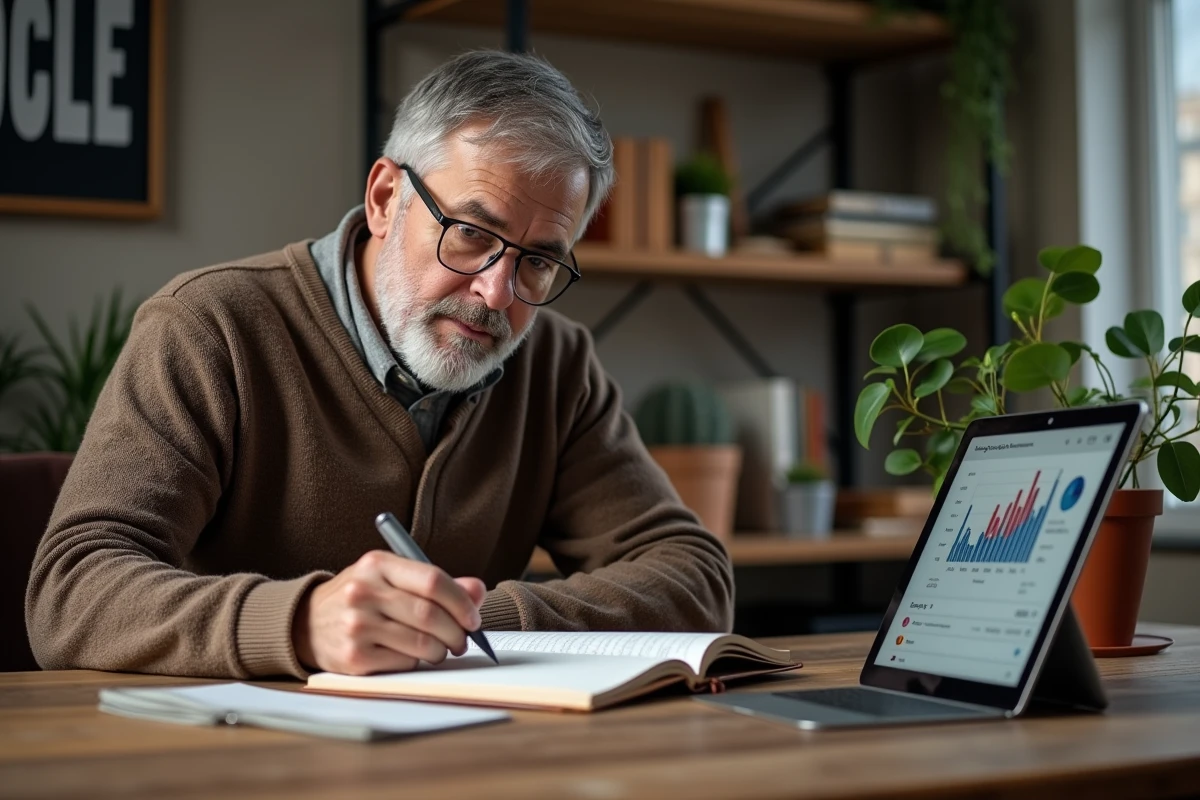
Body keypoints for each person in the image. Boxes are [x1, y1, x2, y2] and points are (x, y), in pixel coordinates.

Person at [25, 51, 734, 679]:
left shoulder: (556, 364)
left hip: (475, 754)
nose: (496, 292)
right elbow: (71, 590)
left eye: (540, 261)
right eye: (471, 233)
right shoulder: (210, 328)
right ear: (386, 198)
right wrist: (300, 624)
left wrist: (484, 621)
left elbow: (694, 576)